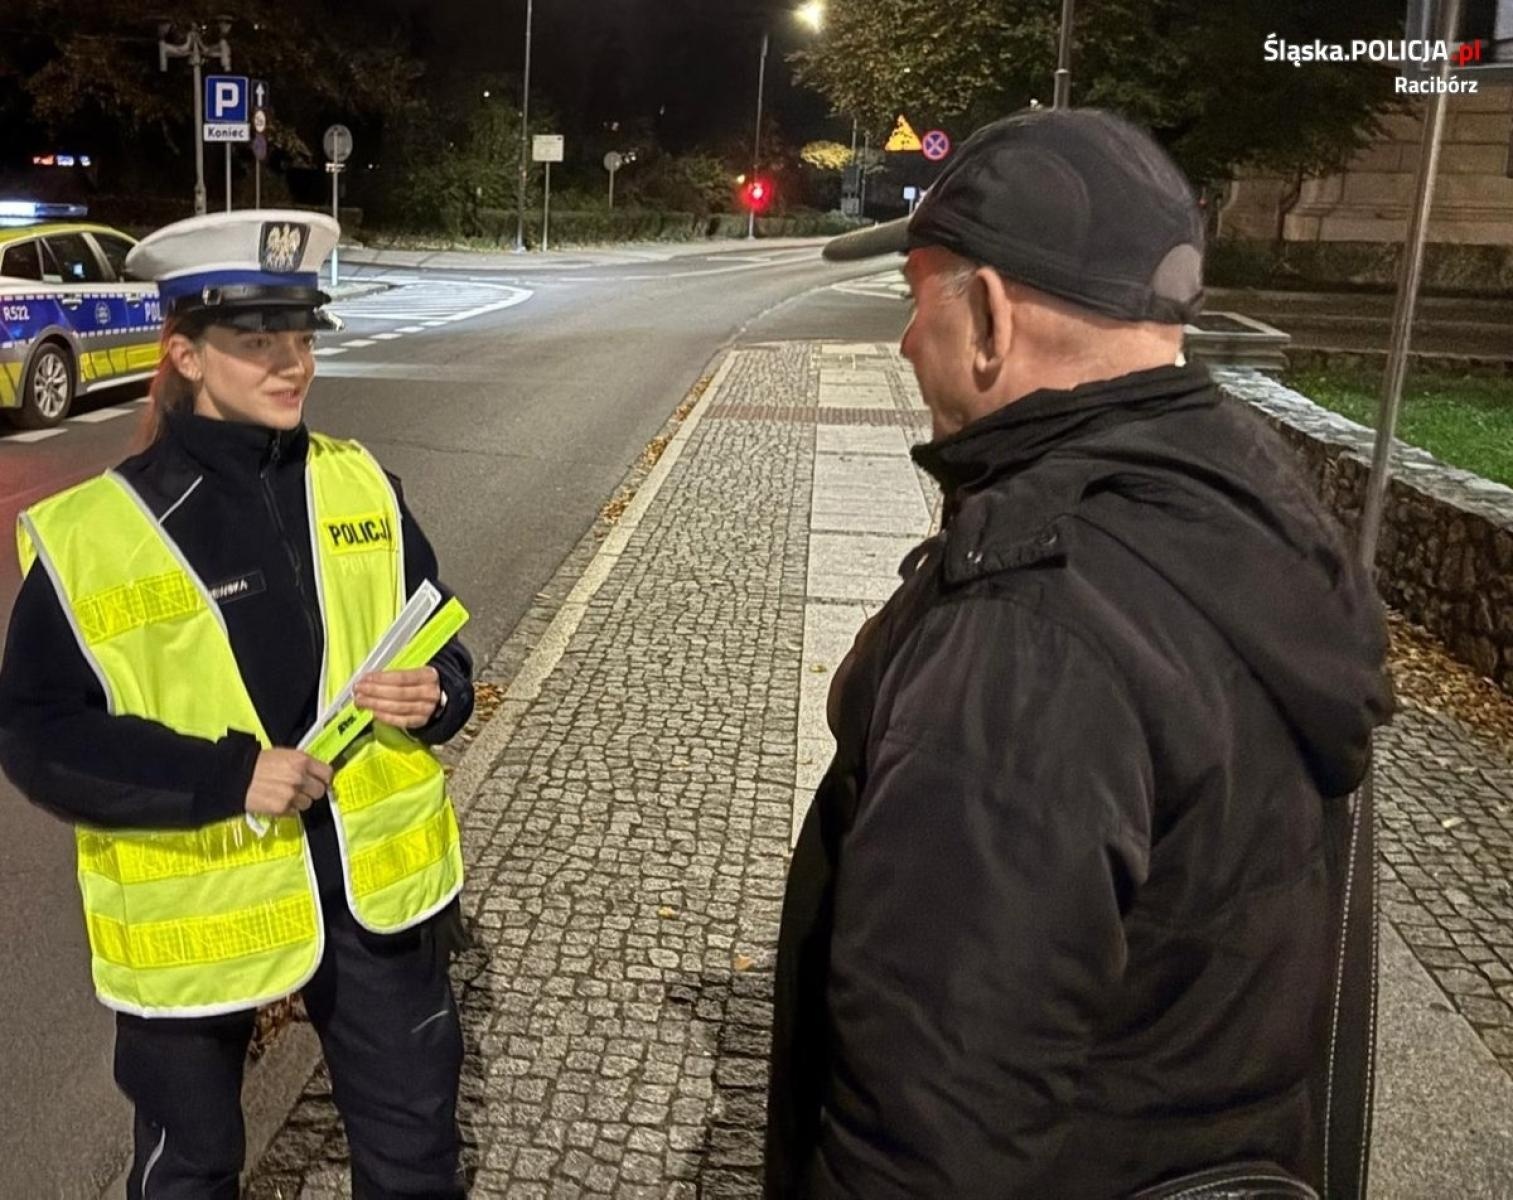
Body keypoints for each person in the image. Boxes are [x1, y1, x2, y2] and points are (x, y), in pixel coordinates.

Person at [766, 109, 1394, 1199]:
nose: (909, 342)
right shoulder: (1242, 517)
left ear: (993, 317)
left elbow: (929, 1136)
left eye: (919, 299)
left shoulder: (1029, 642)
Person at [0, 211, 475, 1199]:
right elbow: (37, 733)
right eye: (256, 342)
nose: (289, 364)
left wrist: (438, 695)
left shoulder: (363, 487)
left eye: (299, 338)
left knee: (417, 1161)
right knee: (192, 1174)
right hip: (200, 918)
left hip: (374, 901)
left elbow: (441, 651)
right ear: (185, 351)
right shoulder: (99, 531)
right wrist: (226, 774)